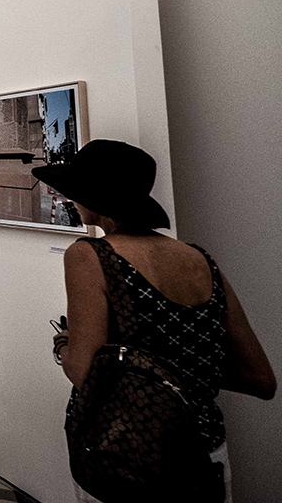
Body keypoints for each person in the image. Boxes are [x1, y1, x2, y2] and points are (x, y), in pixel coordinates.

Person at [36, 140, 275, 502]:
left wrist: (63, 344)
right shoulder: (199, 258)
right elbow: (261, 378)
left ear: (93, 199)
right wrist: (183, 371)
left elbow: (84, 373)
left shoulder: (90, 255)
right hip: (205, 452)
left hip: (128, 454)